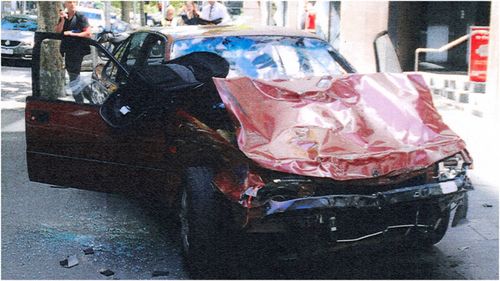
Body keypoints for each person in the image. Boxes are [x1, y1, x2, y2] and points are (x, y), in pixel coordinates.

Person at [55, 1, 92, 103]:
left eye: (72, 2)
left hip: (78, 50)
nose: (71, 4)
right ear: (65, 4)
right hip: (67, 51)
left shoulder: (80, 16)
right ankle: (88, 96)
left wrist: (72, 34)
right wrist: (62, 19)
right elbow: (58, 31)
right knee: (74, 77)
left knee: (73, 77)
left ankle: (80, 102)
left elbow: (88, 33)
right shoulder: (65, 17)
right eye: (68, 2)